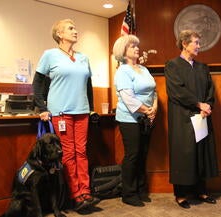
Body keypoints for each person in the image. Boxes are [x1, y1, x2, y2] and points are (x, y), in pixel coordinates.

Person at [32, 19, 100, 213]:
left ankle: (86, 192)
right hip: (60, 112)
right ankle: (75, 195)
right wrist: (41, 107)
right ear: (59, 34)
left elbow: (88, 86)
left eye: (75, 28)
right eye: (71, 28)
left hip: (82, 112)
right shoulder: (50, 55)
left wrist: (92, 108)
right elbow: (37, 84)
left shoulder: (84, 58)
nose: (75, 31)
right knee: (68, 154)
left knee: (82, 152)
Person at [164, 30, 219, 209]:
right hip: (182, 117)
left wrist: (208, 106)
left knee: (201, 152)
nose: (198, 46)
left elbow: (211, 90)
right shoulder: (172, 65)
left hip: (202, 117)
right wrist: (198, 104)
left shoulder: (203, 67)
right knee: (184, 154)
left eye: (198, 42)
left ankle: (201, 191)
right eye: (195, 42)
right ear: (184, 44)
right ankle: (180, 194)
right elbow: (177, 92)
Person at [112, 34, 157, 207]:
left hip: (146, 117)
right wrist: (147, 111)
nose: (137, 48)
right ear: (123, 52)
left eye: (137, 45)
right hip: (129, 119)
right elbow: (128, 99)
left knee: (143, 154)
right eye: (132, 46)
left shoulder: (143, 69)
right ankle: (128, 194)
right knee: (133, 155)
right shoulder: (122, 71)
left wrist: (154, 108)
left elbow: (154, 91)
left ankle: (139, 189)